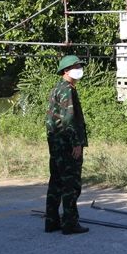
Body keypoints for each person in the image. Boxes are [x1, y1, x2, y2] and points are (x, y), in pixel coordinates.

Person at [44, 55, 89, 235]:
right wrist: (76, 143)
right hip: (66, 144)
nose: (79, 68)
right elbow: (69, 119)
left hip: (56, 144)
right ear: (65, 70)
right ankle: (70, 223)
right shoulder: (67, 90)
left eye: (79, 65)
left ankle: (51, 221)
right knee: (71, 184)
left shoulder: (57, 88)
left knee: (56, 182)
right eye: (76, 66)